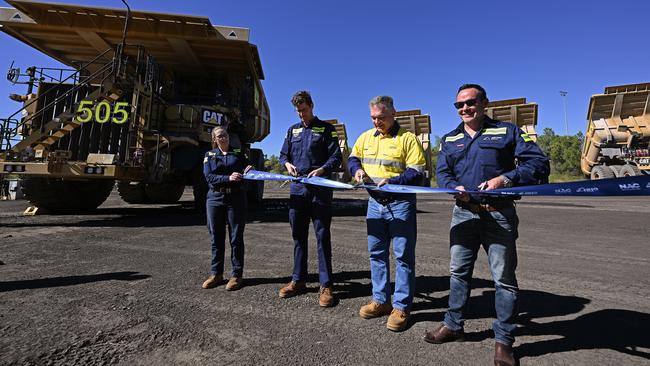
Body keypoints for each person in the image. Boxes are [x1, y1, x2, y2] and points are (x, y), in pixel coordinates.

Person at [425, 84, 550, 366]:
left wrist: (504, 180)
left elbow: (538, 163)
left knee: (504, 280)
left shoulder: (506, 131)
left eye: (470, 102)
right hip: (463, 215)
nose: (464, 109)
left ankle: (504, 342)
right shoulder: (449, 139)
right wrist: (451, 187)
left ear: (484, 103)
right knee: (458, 274)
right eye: (459, 105)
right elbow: (442, 173)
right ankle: (453, 325)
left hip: (499, 214)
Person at [348, 95, 426, 331]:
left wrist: (393, 181)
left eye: (381, 117)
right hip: (374, 204)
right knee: (377, 254)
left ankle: (401, 306)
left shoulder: (407, 139)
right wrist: (357, 170)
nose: (376, 122)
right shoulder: (365, 137)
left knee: (403, 256)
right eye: (373, 118)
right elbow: (353, 158)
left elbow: (418, 171)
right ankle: (381, 300)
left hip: (400, 204)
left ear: (394, 114)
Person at [278, 90, 342, 307]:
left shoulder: (326, 129)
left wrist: (323, 169)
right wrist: (286, 164)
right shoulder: (292, 131)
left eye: (304, 110)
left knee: (322, 237)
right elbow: (283, 155)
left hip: (320, 193)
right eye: (298, 112)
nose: (301, 115)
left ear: (311, 106)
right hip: (297, 192)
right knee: (298, 236)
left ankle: (326, 285)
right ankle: (298, 280)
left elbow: (336, 157)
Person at [201, 126, 253, 291]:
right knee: (216, 238)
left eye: (225, 134)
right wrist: (228, 177)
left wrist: (248, 170)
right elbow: (209, 177)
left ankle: (237, 275)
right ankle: (216, 274)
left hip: (236, 198)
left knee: (236, 238)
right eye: (219, 136)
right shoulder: (209, 155)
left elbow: (248, 169)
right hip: (214, 198)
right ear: (214, 140)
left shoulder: (239, 152)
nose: (223, 137)